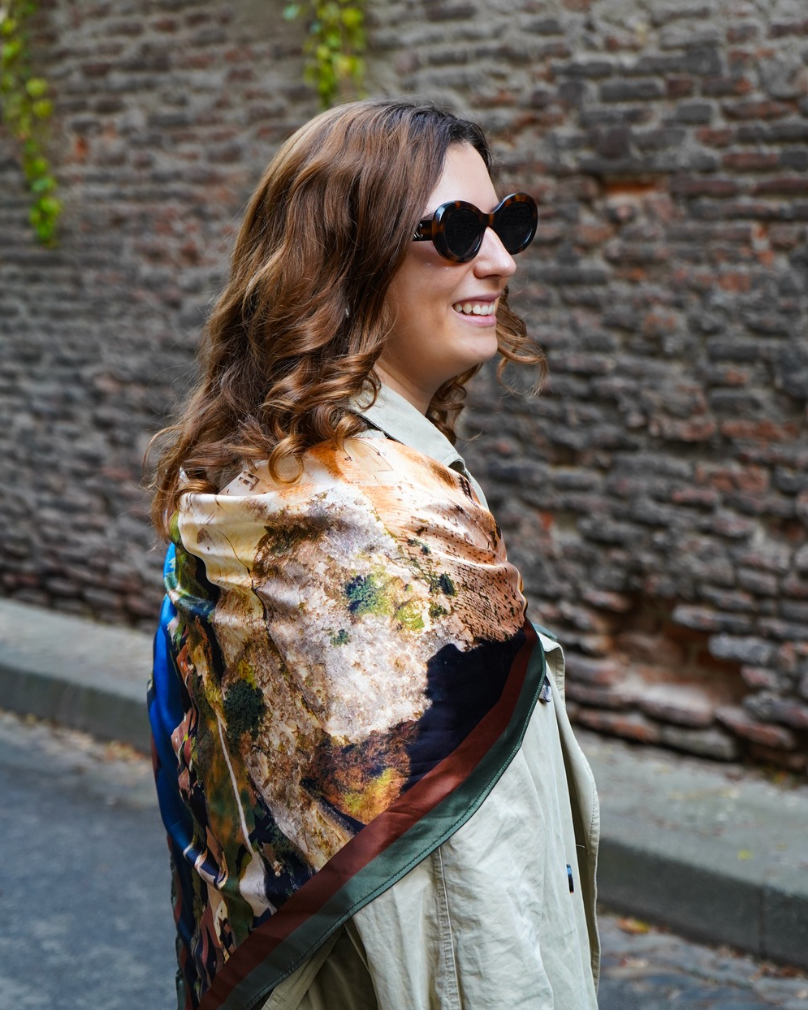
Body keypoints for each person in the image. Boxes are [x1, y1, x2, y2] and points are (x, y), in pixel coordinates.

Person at [148, 97, 600, 1010]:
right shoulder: (374, 524)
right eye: (457, 229)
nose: (501, 259)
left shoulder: (271, 479)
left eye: (507, 222)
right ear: (341, 260)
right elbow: (471, 919)